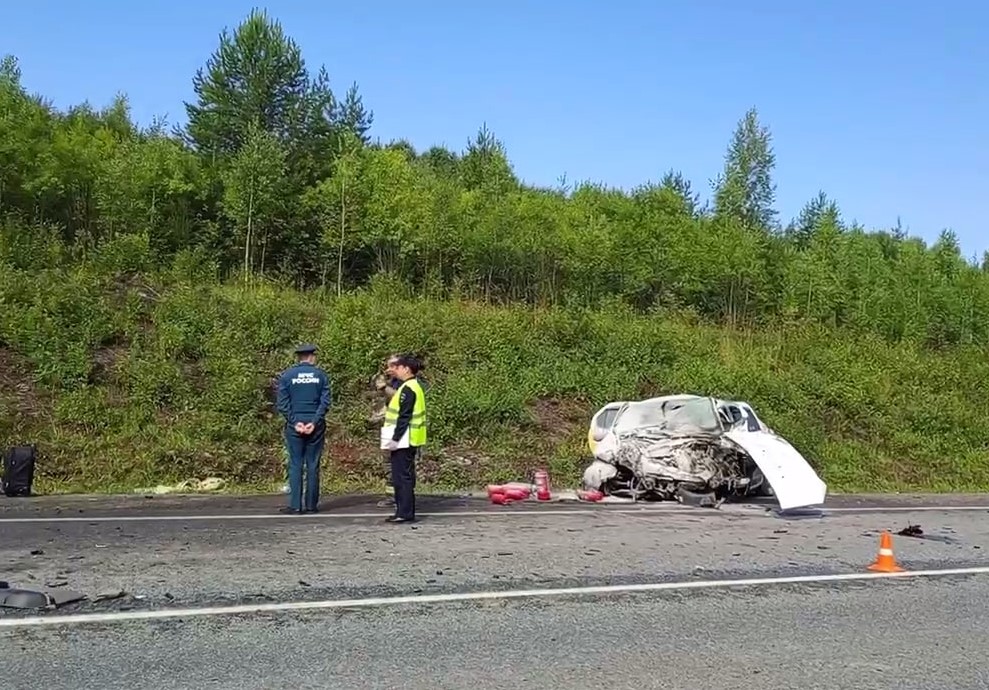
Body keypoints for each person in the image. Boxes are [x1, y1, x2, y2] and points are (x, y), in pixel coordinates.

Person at [276, 343, 332, 514]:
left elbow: (283, 404)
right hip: (315, 424)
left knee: (295, 464)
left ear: (299, 357)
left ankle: (295, 505)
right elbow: (325, 403)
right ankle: (311, 505)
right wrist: (314, 422)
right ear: (312, 356)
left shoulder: (287, 376)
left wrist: (294, 422)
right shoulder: (321, 376)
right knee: (313, 464)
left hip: (295, 424)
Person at [382, 353, 427, 523]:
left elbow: (404, 417)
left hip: (404, 439)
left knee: (402, 477)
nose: (396, 370)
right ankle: (402, 510)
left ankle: (405, 512)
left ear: (406, 369)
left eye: (398, 367)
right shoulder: (411, 386)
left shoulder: (408, 388)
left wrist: (394, 438)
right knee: (401, 476)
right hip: (408, 438)